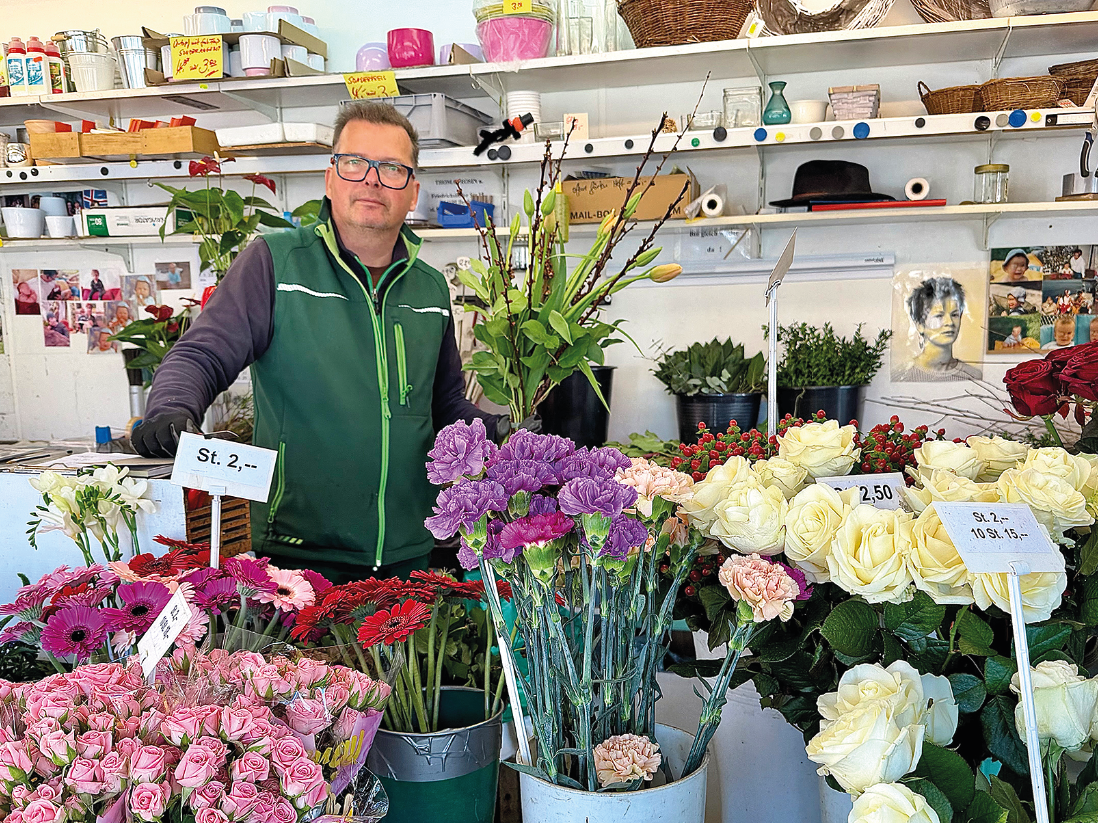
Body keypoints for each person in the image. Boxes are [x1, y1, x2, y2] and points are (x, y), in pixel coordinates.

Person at [132, 102, 511, 583]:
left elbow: (444, 404)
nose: (373, 180)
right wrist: (171, 407)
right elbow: (202, 353)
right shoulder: (276, 264)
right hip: (298, 558)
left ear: (412, 192)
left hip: (411, 553)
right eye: (355, 163)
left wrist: (496, 432)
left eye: (393, 168)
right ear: (330, 178)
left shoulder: (430, 288)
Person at [894, 277, 982, 381]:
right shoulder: (901, 376)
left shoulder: (974, 376)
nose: (950, 323)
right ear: (920, 325)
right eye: (939, 316)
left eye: (954, 315)